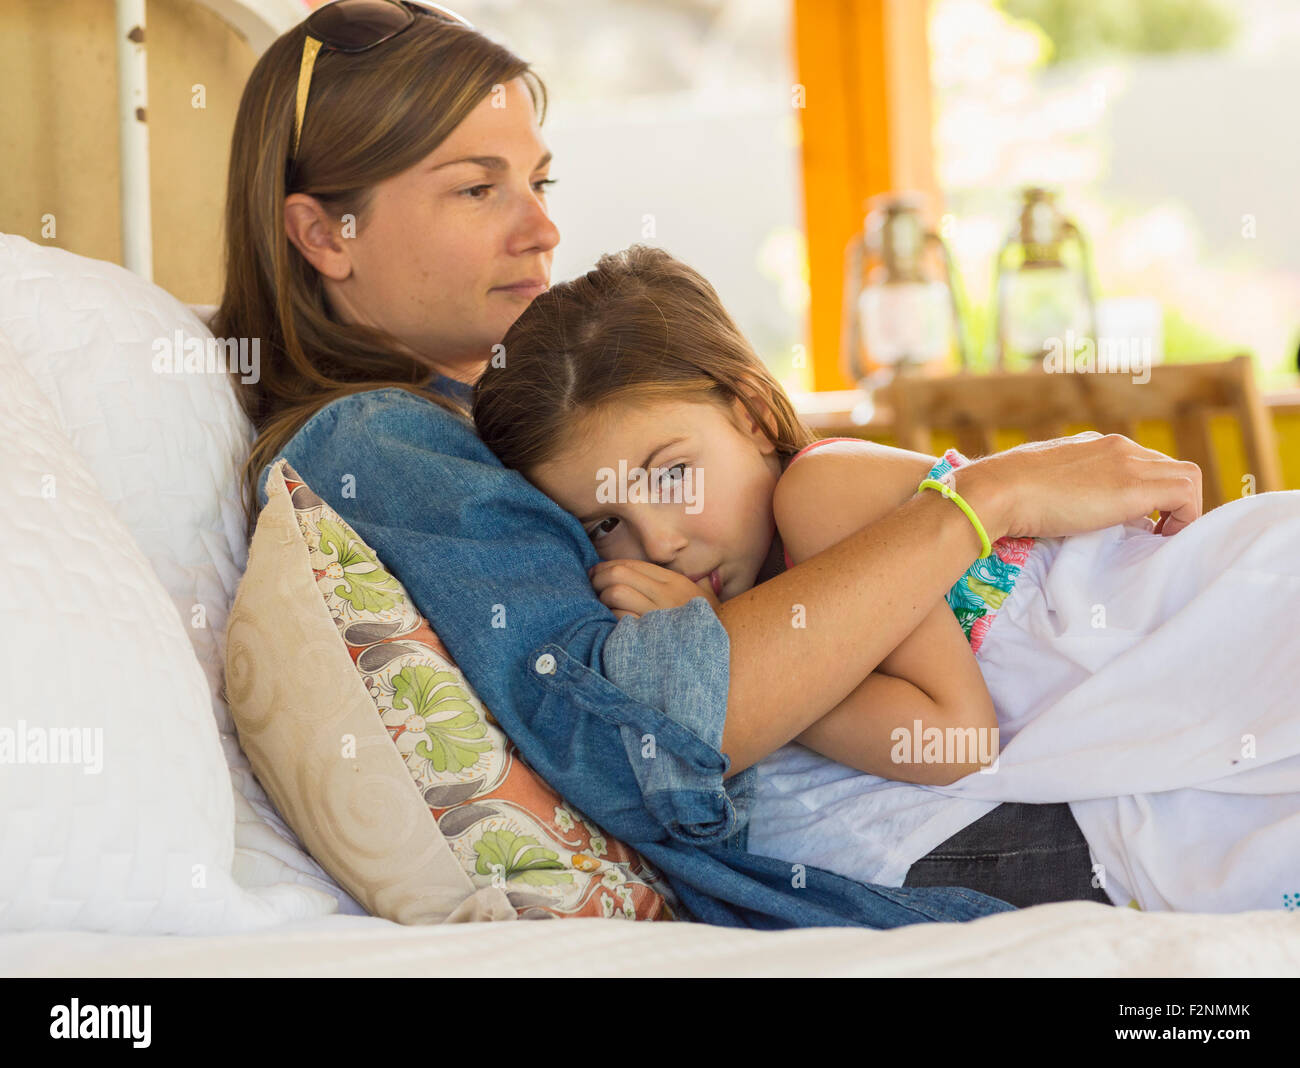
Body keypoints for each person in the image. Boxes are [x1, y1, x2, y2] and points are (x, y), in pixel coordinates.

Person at [219, 2, 1200, 925]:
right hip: (918, 833)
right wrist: (990, 493)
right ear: (323, 235)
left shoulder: (503, 412)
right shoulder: (378, 444)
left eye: (539, 182)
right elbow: (640, 738)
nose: (541, 229)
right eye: (479, 188)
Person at [473, 243, 1300, 913]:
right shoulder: (796, 568)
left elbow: (956, 737)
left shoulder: (818, 493)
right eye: (605, 523)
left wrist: (731, 653)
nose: (657, 539)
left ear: (754, 414)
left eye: (671, 475)